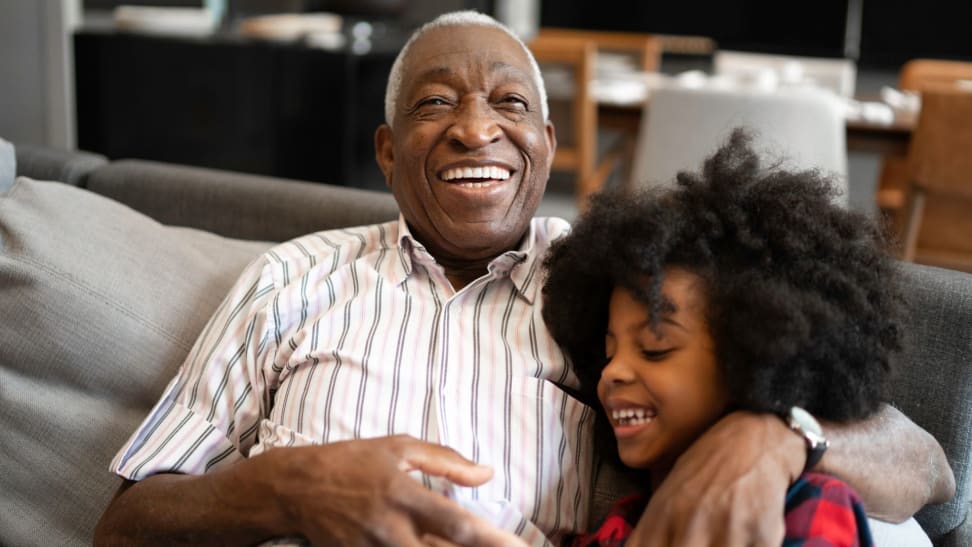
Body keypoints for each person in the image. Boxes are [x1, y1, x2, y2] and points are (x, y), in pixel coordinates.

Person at [94, 10, 954, 547]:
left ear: (547, 143)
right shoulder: (292, 277)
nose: (475, 131)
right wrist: (285, 489)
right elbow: (123, 526)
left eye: (509, 105)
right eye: (436, 103)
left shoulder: (613, 282)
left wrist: (772, 436)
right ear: (388, 151)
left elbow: (928, 467)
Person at [541, 129, 899, 546]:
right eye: (608, 351)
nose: (614, 372)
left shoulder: (810, 506)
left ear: (752, 358)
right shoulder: (619, 527)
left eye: (656, 348)